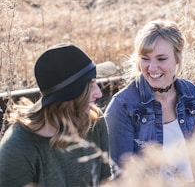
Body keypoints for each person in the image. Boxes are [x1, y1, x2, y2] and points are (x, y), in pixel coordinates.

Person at [0, 43, 112, 186]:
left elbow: (106, 181)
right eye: (90, 85)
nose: (99, 93)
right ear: (68, 95)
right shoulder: (18, 149)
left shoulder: (94, 120)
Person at [104, 19, 195, 182]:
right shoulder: (123, 106)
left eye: (161, 59)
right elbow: (121, 177)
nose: (152, 67)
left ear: (177, 58)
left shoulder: (189, 92)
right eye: (145, 58)